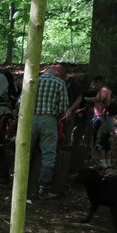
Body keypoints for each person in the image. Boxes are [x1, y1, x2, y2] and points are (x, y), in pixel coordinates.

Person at [31, 65, 68, 198]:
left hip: (30, 119)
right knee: (48, 153)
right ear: (57, 74)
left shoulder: (33, 81)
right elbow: (63, 107)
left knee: (24, 151)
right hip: (49, 119)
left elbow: (20, 102)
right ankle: (43, 189)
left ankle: (20, 185)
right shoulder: (59, 83)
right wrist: (54, 115)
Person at [84, 75, 115, 168]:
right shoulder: (108, 90)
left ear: (99, 82)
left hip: (101, 118)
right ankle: (108, 162)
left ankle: (102, 163)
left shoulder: (103, 90)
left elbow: (99, 98)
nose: (94, 86)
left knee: (99, 140)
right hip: (107, 118)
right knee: (106, 140)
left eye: (94, 83)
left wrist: (88, 99)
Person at [60, 64, 84, 145]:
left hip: (69, 113)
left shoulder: (72, 82)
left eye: (61, 69)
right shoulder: (56, 80)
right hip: (57, 112)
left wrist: (70, 109)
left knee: (67, 135)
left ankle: (66, 155)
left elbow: (79, 98)